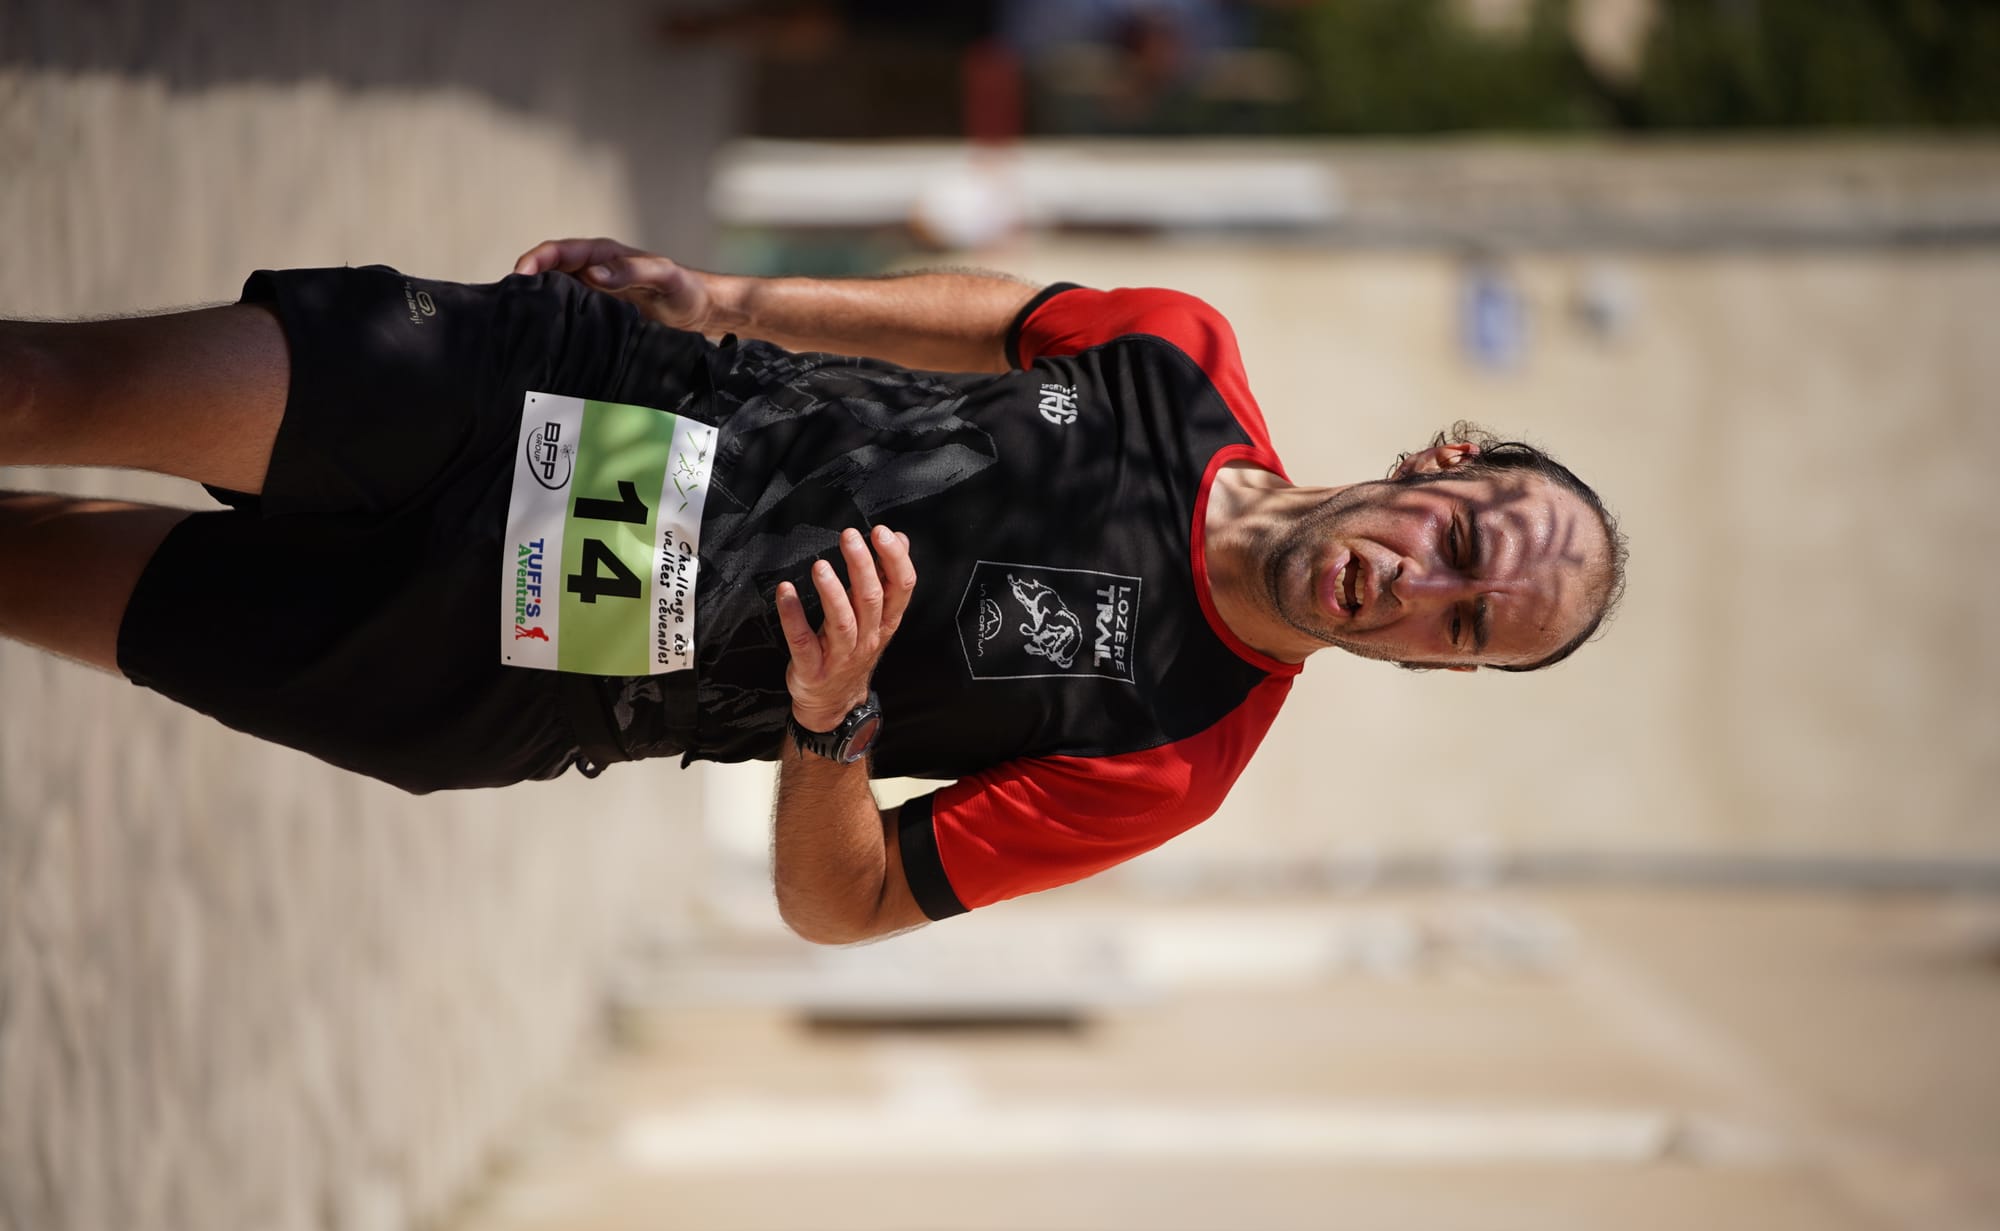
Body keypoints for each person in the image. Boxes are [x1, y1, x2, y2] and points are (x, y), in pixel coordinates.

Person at [0, 238, 1625, 944]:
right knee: (34, 391)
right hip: (550, 399)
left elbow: (840, 900)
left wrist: (833, 722)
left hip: (506, 674)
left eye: (1468, 625)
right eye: (1467, 545)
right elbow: (986, 322)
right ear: (1446, 461)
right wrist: (722, 293)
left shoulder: (1175, 755)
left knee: (16, 567)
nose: (1424, 590)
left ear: (1448, 670)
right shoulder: (1180, 356)